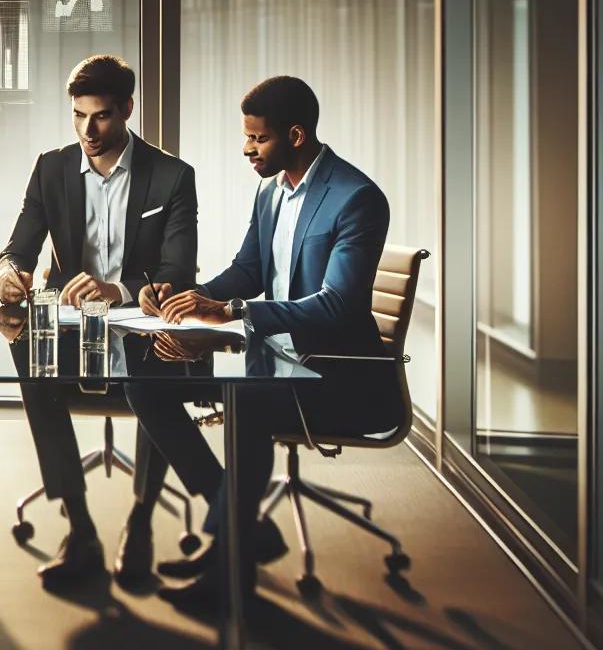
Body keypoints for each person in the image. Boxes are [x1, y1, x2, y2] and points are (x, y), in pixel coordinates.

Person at [125, 75, 398, 610]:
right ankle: (237, 529)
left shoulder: (356, 199)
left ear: (295, 135)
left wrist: (234, 312)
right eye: (246, 137)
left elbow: (337, 305)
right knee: (146, 381)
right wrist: (193, 297)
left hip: (337, 376)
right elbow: (249, 270)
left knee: (246, 399)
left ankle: (229, 572)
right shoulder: (270, 190)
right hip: (274, 361)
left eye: (258, 138)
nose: (247, 149)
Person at [0, 55, 199, 588]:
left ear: (127, 109)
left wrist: (118, 290)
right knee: (30, 362)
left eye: (102, 116)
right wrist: (8, 275)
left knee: (158, 368)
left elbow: (178, 272)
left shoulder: (172, 177)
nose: (88, 129)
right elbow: (18, 248)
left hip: (140, 325)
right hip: (70, 329)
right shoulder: (51, 168)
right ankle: (79, 526)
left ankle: (141, 521)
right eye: (79, 115)